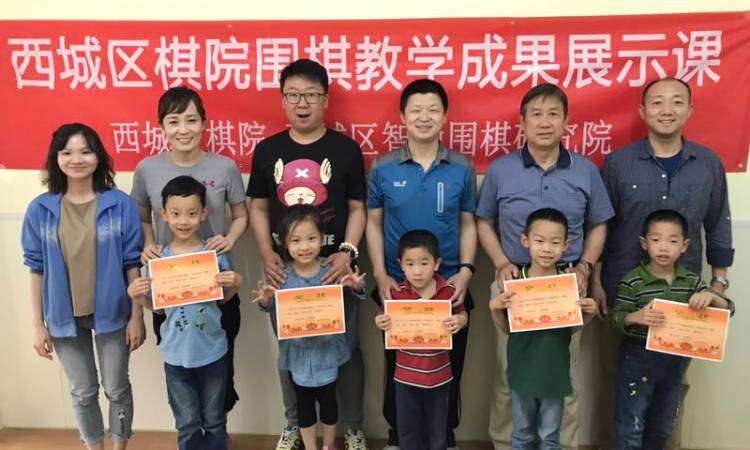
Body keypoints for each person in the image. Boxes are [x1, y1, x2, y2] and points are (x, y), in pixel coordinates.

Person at [596, 77, 735, 449]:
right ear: (643, 112)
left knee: (672, 389)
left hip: (683, 298)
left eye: (676, 102)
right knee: (621, 384)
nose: (667, 110)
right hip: (624, 292)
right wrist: (595, 281)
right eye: (657, 103)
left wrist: (718, 284)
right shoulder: (619, 163)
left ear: (690, 110)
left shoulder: (708, 163)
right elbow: (601, 226)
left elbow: (718, 225)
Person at [476, 83, 614, 450]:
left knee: (563, 374)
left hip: (565, 283)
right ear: (522, 122)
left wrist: (585, 268)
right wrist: (501, 262)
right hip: (514, 283)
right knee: (509, 372)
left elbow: (599, 223)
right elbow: (483, 220)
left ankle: (561, 445)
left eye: (553, 114)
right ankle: (507, 443)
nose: (545, 122)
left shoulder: (585, 170)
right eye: (536, 114)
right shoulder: (502, 169)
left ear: (567, 121)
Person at [247, 59, 368, 450]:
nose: (302, 103)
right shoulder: (268, 150)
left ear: (326, 99)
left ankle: (351, 427)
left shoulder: (346, 149)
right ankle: (293, 425)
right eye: (294, 95)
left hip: (335, 271)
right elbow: (258, 207)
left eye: (311, 95)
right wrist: (266, 252)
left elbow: (358, 208)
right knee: (291, 347)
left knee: (346, 350)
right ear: (283, 100)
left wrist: (347, 252)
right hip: (286, 272)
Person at [366, 79, 477, 450]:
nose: (424, 117)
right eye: (416, 110)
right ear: (403, 117)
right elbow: (374, 222)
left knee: (450, 367)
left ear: (445, 116)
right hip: (398, 287)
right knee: (398, 367)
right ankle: (399, 436)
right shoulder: (383, 167)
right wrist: (380, 273)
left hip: (449, 287)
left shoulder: (461, 166)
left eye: (433, 110)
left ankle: (444, 436)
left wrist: (466, 270)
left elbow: (468, 222)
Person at [21, 123, 145, 450]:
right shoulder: (40, 209)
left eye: (86, 151)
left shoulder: (120, 204)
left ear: (98, 157)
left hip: (114, 313)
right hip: (63, 316)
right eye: (67, 152)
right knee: (83, 392)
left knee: (116, 388)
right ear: (56, 158)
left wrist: (137, 317)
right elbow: (36, 269)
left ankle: (119, 446)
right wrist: (38, 324)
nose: (77, 159)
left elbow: (132, 263)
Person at [131, 86, 248, 418]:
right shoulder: (147, 169)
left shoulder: (224, 168)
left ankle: (217, 432)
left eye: (191, 120)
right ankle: (190, 431)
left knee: (221, 368)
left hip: (217, 286)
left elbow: (241, 215)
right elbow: (142, 217)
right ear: (162, 127)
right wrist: (149, 244)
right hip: (168, 290)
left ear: (204, 123)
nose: (183, 129)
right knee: (179, 373)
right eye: (173, 121)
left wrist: (230, 239)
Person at [128, 176, 243, 450]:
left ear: (204, 214)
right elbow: (160, 308)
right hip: (175, 355)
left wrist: (236, 283)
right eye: (176, 214)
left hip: (213, 351)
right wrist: (137, 296)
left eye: (192, 213)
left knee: (215, 420)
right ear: (163, 215)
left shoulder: (213, 254)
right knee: (187, 423)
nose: (183, 221)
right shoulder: (158, 260)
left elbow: (222, 300)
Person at [610, 209, 734, 449]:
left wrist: (711, 296)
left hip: (674, 364)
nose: (664, 247)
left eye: (673, 241)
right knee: (631, 425)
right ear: (644, 243)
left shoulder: (691, 282)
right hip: (637, 360)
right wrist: (636, 316)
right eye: (656, 240)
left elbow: (729, 309)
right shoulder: (632, 280)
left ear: (684, 246)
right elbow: (616, 317)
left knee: (663, 426)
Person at [253, 205, 366, 450]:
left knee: (329, 406)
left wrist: (355, 286)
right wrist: (265, 301)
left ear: (322, 239)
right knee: (304, 408)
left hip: (328, 355)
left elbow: (356, 296)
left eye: (311, 238)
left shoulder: (331, 271)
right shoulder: (281, 275)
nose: (304, 247)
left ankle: (328, 445)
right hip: (297, 358)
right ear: (284, 243)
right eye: (296, 240)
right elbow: (273, 310)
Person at [488, 208, 597, 450]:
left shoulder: (568, 285)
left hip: (554, 373)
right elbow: (508, 330)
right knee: (523, 435)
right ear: (525, 241)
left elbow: (570, 329)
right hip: (522, 372)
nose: (547, 249)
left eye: (555, 242)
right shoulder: (515, 283)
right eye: (539, 241)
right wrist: (494, 309)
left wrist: (589, 314)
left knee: (549, 437)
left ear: (566, 245)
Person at [374, 230, 468, 450]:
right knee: (408, 431)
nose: (417, 271)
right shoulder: (396, 293)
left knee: (438, 431)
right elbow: (383, 316)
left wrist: (460, 321)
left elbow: (462, 314)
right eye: (410, 264)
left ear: (437, 264)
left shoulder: (448, 292)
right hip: (405, 378)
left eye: (424, 263)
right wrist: (379, 320)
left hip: (440, 378)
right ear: (401, 265)